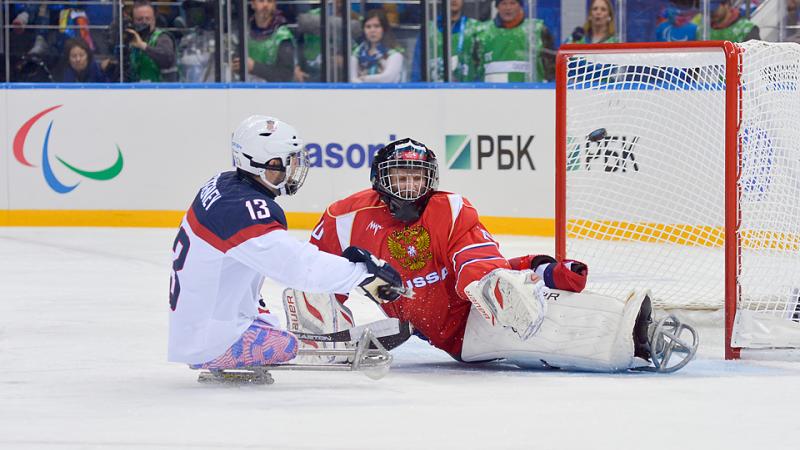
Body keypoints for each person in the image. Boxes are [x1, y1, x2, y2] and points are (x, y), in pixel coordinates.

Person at [300, 138, 696, 372]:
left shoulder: (449, 209)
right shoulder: (346, 217)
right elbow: (312, 268)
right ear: (380, 179)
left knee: (536, 304)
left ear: (431, 180)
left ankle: (633, 332)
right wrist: (324, 328)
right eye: (400, 178)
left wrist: (489, 285)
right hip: (453, 334)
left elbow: (474, 254)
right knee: (538, 331)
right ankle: (634, 340)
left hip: (471, 304)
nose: (408, 187)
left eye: (416, 178)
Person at [168, 116, 404, 370]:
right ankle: (219, 352)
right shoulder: (243, 211)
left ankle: (241, 326)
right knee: (285, 345)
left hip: (198, 321)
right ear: (265, 165)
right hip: (208, 339)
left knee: (269, 323)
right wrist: (362, 274)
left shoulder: (225, 184)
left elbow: (254, 259)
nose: (293, 169)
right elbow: (297, 267)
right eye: (287, 161)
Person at [473, 0, 555, 82]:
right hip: (491, 92)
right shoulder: (482, 32)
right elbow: (474, 66)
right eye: (504, 3)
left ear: (520, 6)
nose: (508, 8)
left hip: (530, 92)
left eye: (513, 3)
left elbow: (550, 65)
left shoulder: (537, 29)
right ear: (497, 7)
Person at [410, 0, 481, 82]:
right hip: (434, 91)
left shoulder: (474, 29)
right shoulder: (428, 30)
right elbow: (417, 70)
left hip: (467, 92)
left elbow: (480, 68)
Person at [232, 0, 295, 82]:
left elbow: (286, 76)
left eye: (269, 1)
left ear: (274, 5)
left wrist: (254, 67)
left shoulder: (283, 36)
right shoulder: (244, 32)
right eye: (261, 1)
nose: (265, 5)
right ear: (253, 4)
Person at [126, 0, 178, 82]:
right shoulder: (132, 40)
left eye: (148, 19)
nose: (144, 22)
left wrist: (143, 46)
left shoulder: (162, 37)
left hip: (162, 90)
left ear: (154, 19)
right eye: (139, 19)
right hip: (137, 90)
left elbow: (167, 58)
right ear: (133, 21)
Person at [350, 9, 404, 83]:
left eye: (377, 26)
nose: (372, 30)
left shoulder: (395, 54)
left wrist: (364, 79)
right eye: (368, 27)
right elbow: (352, 78)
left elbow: (388, 78)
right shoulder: (356, 53)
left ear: (384, 29)